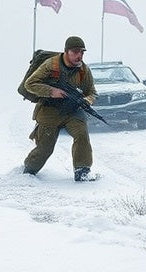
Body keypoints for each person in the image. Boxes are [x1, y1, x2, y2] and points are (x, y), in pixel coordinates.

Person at [21, 36, 98, 181]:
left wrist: (87, 100)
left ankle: (82, 171)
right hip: (49, 111)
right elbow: (30, 84)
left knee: (82, 135)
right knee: (45, 148)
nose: (79, 55)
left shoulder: (83, 70)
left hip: (72, 111)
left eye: (82, 52)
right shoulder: (51, 65)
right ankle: (29, 170)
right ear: (66, 51)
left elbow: (92, 92)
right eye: (75, 52)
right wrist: (52, 91)